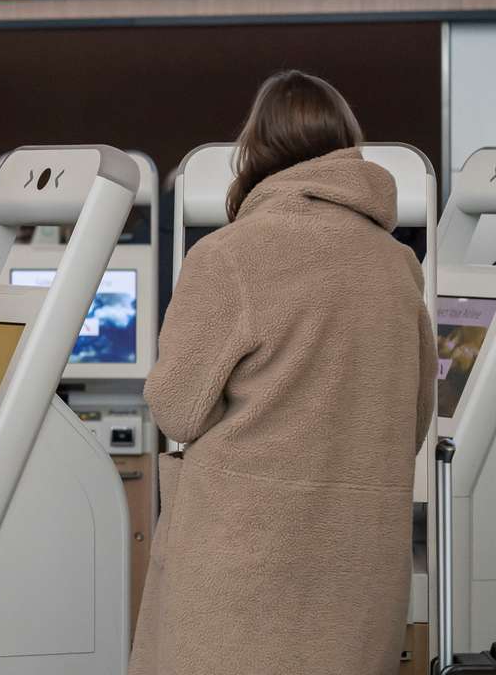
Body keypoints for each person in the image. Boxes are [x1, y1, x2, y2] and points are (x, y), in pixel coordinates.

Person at [129, 71, 437, 675]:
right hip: (358, 558)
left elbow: (177, 408)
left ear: (255, 152)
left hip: (242, 558)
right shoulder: (398, 264)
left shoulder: (229, 255)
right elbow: (414, 411)